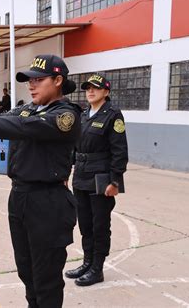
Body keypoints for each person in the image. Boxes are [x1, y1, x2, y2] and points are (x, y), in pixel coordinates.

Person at [0, 54, 81, 307]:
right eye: (29, 80)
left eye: (39, 79)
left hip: (48, 202)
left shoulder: (65, 115)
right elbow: (5, 118)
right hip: (20, 198)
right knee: (26, 272)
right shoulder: (29, 109)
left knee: (46, 278)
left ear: (58, 80)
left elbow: (20, 126)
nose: (31, 85)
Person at [65, 74, 128, 286]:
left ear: (106, 92)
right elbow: (75, 146)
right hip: (81, 175)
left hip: (101, 177)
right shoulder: (83, 115)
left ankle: (97, 268)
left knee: (99, 224)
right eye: (88, 88)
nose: (90, 91)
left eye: (96, 88)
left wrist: (115, 181)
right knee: (84, 223)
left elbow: (120, 151)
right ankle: (87, 262)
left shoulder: (113, 115)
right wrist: (67, 172)